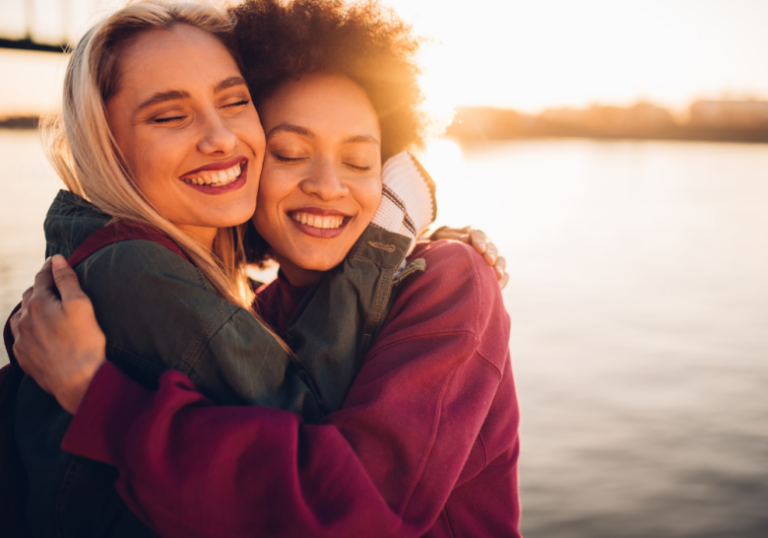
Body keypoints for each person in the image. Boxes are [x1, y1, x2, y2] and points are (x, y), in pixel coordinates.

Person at [11, 0, 520, 536]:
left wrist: (101, 401)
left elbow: (355, 509)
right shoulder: (250, 309)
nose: (327, 185)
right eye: (290, 152)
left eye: (359, 161)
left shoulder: (448, 279)